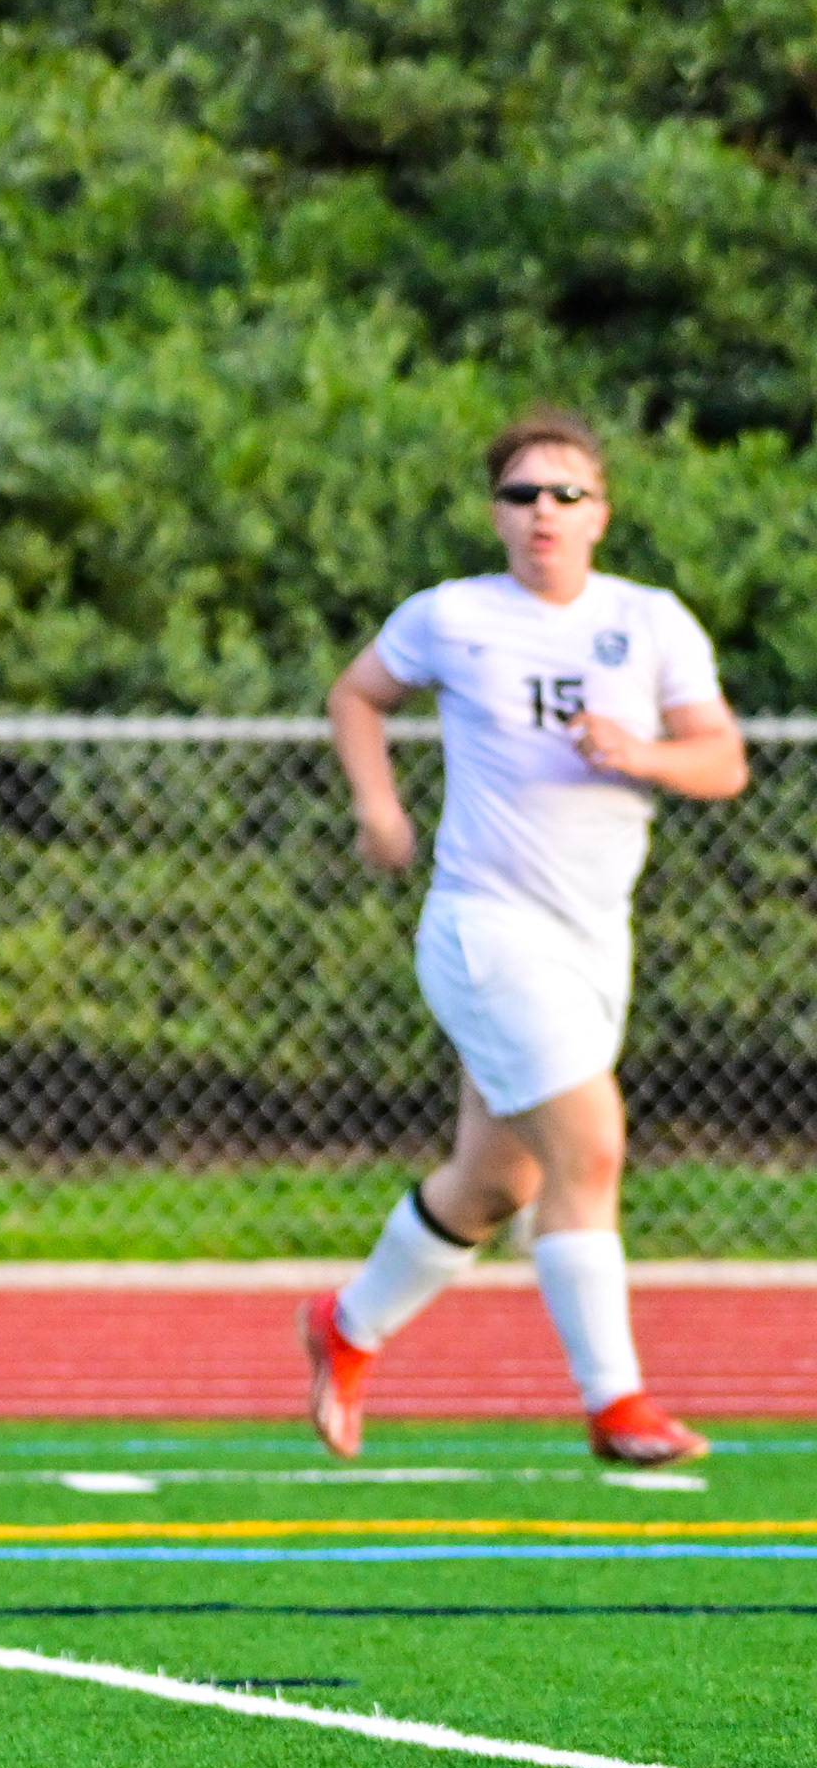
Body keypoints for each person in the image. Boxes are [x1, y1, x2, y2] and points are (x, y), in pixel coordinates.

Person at [301, 412, 747, 1467]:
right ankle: (617, 1403)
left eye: (565, 492)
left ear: (601, 513)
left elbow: (723, 761)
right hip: (486, 927)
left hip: (595, 938)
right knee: (591, 1144)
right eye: (521, 493)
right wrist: (378, 808)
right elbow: (357, 693)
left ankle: (345, 1325)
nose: (543, 509)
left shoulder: (650, 621)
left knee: (496, 1182)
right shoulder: (452, 614)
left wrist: (643, 752)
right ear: (497, 513)